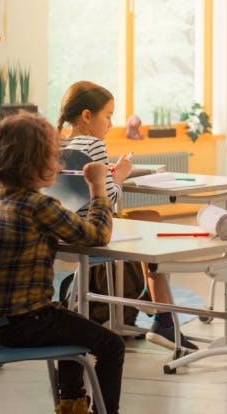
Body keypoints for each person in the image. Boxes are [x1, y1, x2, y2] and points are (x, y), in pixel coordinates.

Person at [0, 112, 125, 414]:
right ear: (35, 162)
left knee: (69, 320)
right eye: (54, 156)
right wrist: (98, 187)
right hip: (25, 322)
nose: (59, 165)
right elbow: (98, 234)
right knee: (112, 346)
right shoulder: (37, 204)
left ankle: (72, 404)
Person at [57, 81, 196, 352]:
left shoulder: (62, 144)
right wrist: (119, 174)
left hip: (68, 234)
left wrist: (106, 176)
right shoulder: (94, 145)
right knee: (152, 223)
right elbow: (107, 200)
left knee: (149, 216)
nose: (110, 124)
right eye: (107, 116)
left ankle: (149, 297)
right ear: (87, 116)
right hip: (97, 234)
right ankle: (162, 316)